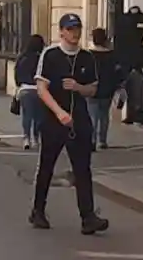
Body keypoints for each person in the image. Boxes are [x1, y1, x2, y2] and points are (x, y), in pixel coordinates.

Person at [28, 14, 108, 235]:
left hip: (80, 119)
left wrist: (78, 87)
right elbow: (41, 88)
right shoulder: (51, 55)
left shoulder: (86, 57)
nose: (75, 33)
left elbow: (92, 89)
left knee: (82, 169)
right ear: (61, 32)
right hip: (54, 119)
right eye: (70, 29)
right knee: (47, 166)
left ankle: (88, 216)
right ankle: (38, 210)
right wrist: (59, 112)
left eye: (78, 29)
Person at [88, 28, 123, 149]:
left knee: (92, 115)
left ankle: (91, 140)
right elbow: (117, 73)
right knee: (104, 115)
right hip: (107, 89)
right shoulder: (111, 55)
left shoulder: (89, 55)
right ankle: (102, 140)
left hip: (92, 88)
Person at [15, 35, 46, 150]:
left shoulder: (22, 57)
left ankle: (26, 138)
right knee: (39, 116)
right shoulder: (41, 58)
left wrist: (19, 85)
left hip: (25, 89)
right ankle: (36, 139)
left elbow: (17, 75)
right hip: (38, 89)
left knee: (27, 115)